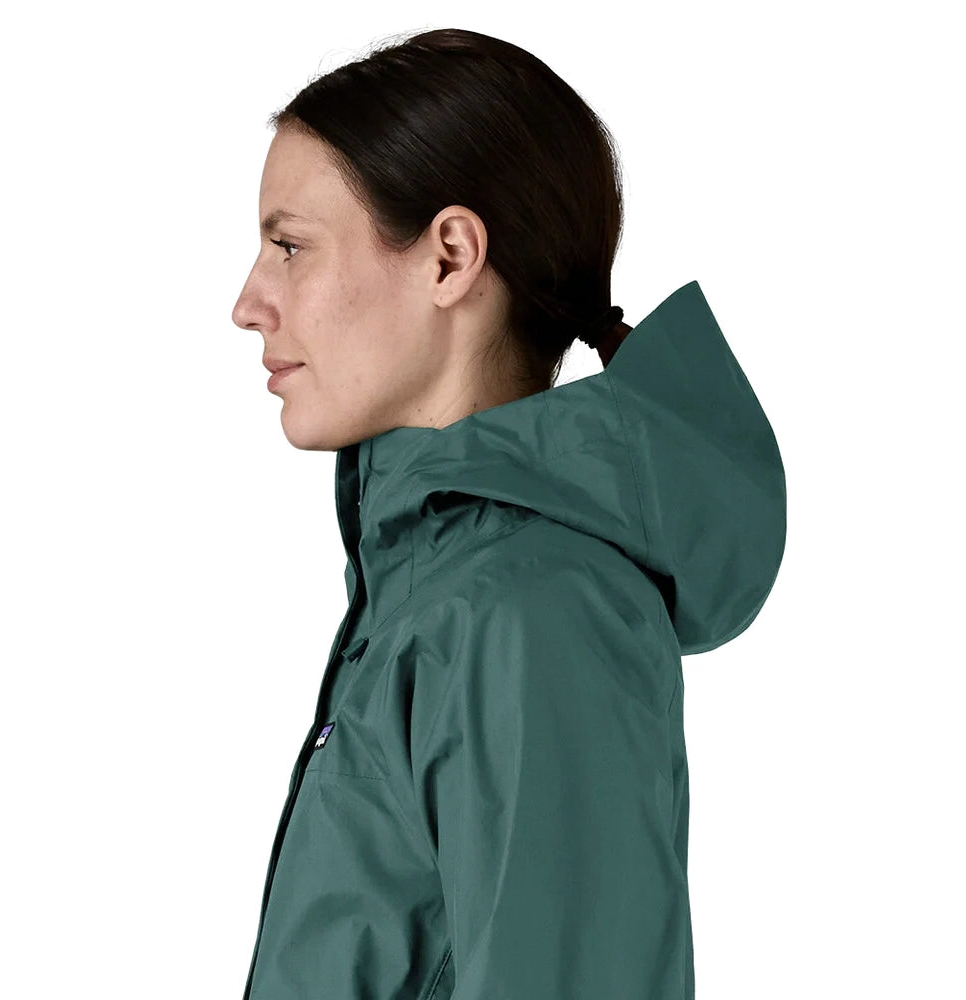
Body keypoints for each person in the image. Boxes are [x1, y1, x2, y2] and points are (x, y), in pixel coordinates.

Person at [231, 27, 786, 1000]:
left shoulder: (528, 611)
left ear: (449, 258)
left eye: (290, 246)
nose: (250, 302)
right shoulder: (441, 589)